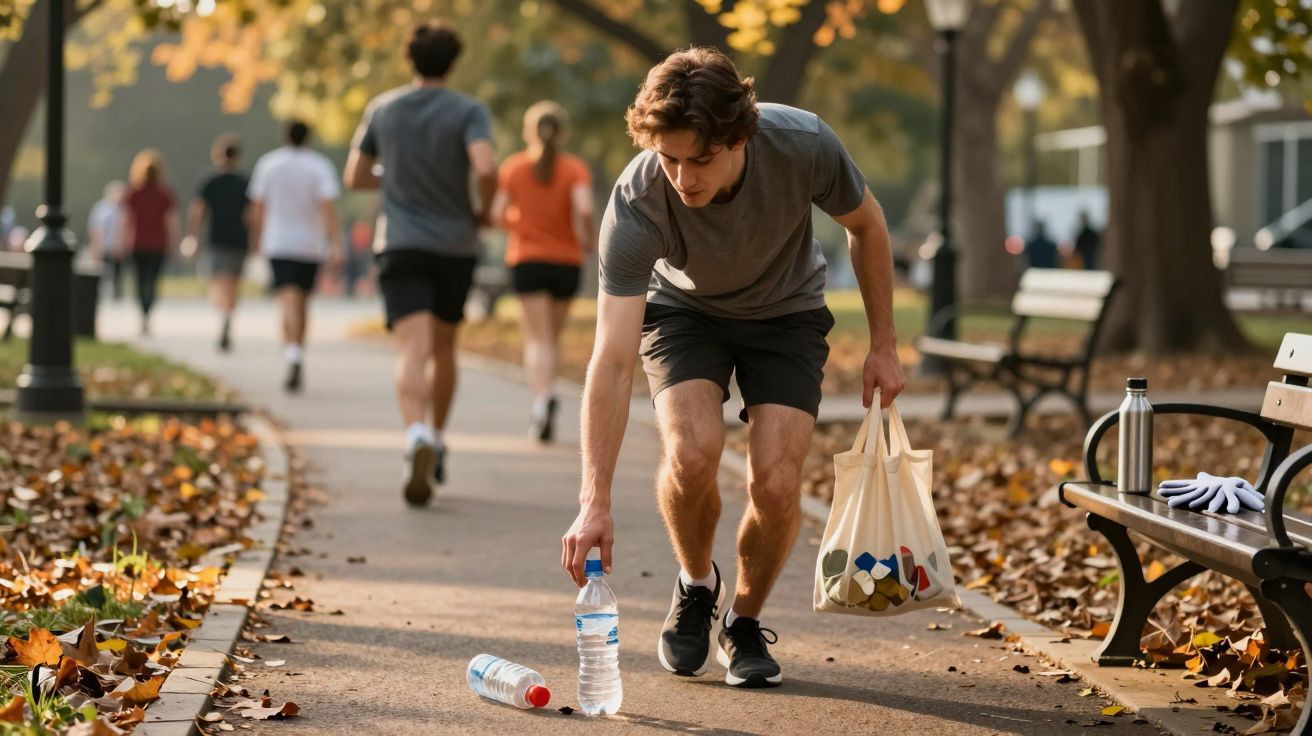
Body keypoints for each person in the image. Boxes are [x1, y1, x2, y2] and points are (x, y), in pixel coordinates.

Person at [559, 48, 906, 689]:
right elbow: (610, 360)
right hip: (684, 311)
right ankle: (696, 584)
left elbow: (866, 223)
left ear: (739, 137)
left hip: (787, 311)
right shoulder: (638, 201)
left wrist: (884, 343)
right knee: (692, 455)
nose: (683, 178)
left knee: (775, 485)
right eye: (669, 158)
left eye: (700, 159)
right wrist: (593, 501)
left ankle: (743, 622)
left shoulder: (802, 144)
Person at [343, 21, 497, 506]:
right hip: (455, 244)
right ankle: (437, 434)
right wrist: (483, 210)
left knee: (411, 347)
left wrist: (394, 177)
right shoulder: (469, 110)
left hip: (401, 242)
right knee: (446, 345)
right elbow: (488, 168)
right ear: (452, 62)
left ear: (410, 60)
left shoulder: (383, 109)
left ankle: (414, 435)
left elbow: (355, 176)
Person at [491, 101, 595, 443]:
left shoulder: (514, 167)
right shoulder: (575, 169)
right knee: (553, 336)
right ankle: (548, 394)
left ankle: (542, 400)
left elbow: (497, 215)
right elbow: (584, 208)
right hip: (566, 261)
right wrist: (588, 240)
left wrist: (519, 222)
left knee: (537, 338)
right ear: (562, 132)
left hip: (527, 259)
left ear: (528, 131)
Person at [248, 120, 344, 393]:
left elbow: (258, 207)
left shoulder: (269, 164)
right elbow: (328, 207)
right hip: (310, 245)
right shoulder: (320, 166)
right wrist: (336, 241)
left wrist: (256, 239)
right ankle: (297, 351)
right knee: (302, 302)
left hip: (279, 242)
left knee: (287, 300)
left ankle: (291, 352)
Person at [185, 134, 251, 352]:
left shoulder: (210, 181)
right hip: (240, 239)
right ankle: (228, 314)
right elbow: (253, 214)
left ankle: (223, 313)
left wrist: (193, 236)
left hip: (216, 239)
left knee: (218, 280)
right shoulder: (245, 182)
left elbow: (198, 210)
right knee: (233, 282)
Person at [121, 150, 179, 335]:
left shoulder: (133, 193)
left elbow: (126, 221)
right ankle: (148, 312)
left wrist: (121, 242)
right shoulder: (164, 194)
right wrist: (174, 243)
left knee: (140, 281)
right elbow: (171, 221)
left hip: (137, 243)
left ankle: (143, 313)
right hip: (157, 244)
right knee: (152, 281)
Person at [87, 181, 127, 300]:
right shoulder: (101, 209)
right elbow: (95, 230)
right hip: (104, 246)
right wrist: (96, 249)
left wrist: (121, 245)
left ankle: (116, 294)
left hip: (118, 247)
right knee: (101, 271)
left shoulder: (125, 209)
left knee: (118, 273)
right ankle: (99, 294)